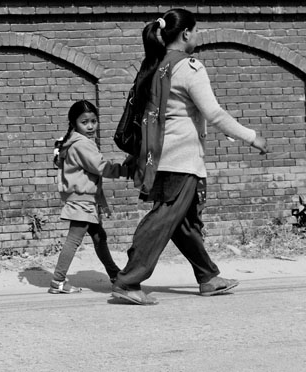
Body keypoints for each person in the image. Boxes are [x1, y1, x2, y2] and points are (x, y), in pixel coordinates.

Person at [111, 9, 268, 305]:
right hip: (181, 160)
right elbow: (214, 114)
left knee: (181, 224)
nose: (197, 36)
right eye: (195, 31)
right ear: (185, 34)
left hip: (158, 158)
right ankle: (128, 280)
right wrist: (251, 136)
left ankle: (208, 277)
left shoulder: (155, 65)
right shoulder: (189, 67)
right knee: (163, 218)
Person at [49, 100, 133, 294]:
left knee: (99, 236)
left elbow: (91, 176)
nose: (90, 126)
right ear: (74, 123)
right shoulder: (82, 145)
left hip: (85, 199)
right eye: (84, 122)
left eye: (93, 121)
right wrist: (126, 170)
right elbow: (101, 167)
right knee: (74, 240)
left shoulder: (77, 142)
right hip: (81, 200)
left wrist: (101, 203)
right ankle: (58, 281)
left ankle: (114, 274)